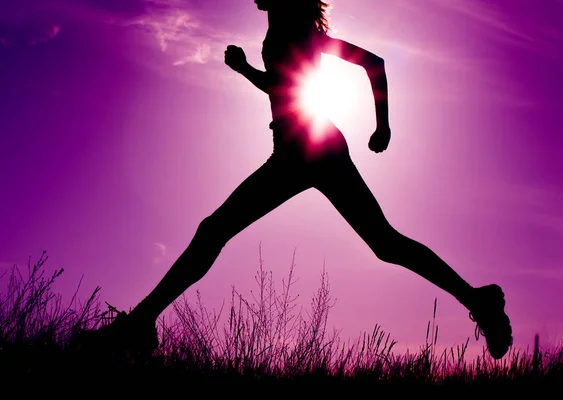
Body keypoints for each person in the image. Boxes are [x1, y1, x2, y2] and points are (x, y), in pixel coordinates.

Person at [79, 0, 512, 361]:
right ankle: (479, 300)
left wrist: (382, 126)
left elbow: (364, 67)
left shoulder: (297, 32)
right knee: (383, 243)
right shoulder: (289, 32)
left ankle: (139, 326)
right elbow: (294, 83)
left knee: (217, 230)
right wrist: (249, 70)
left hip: (309, 151)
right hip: (302, 151)